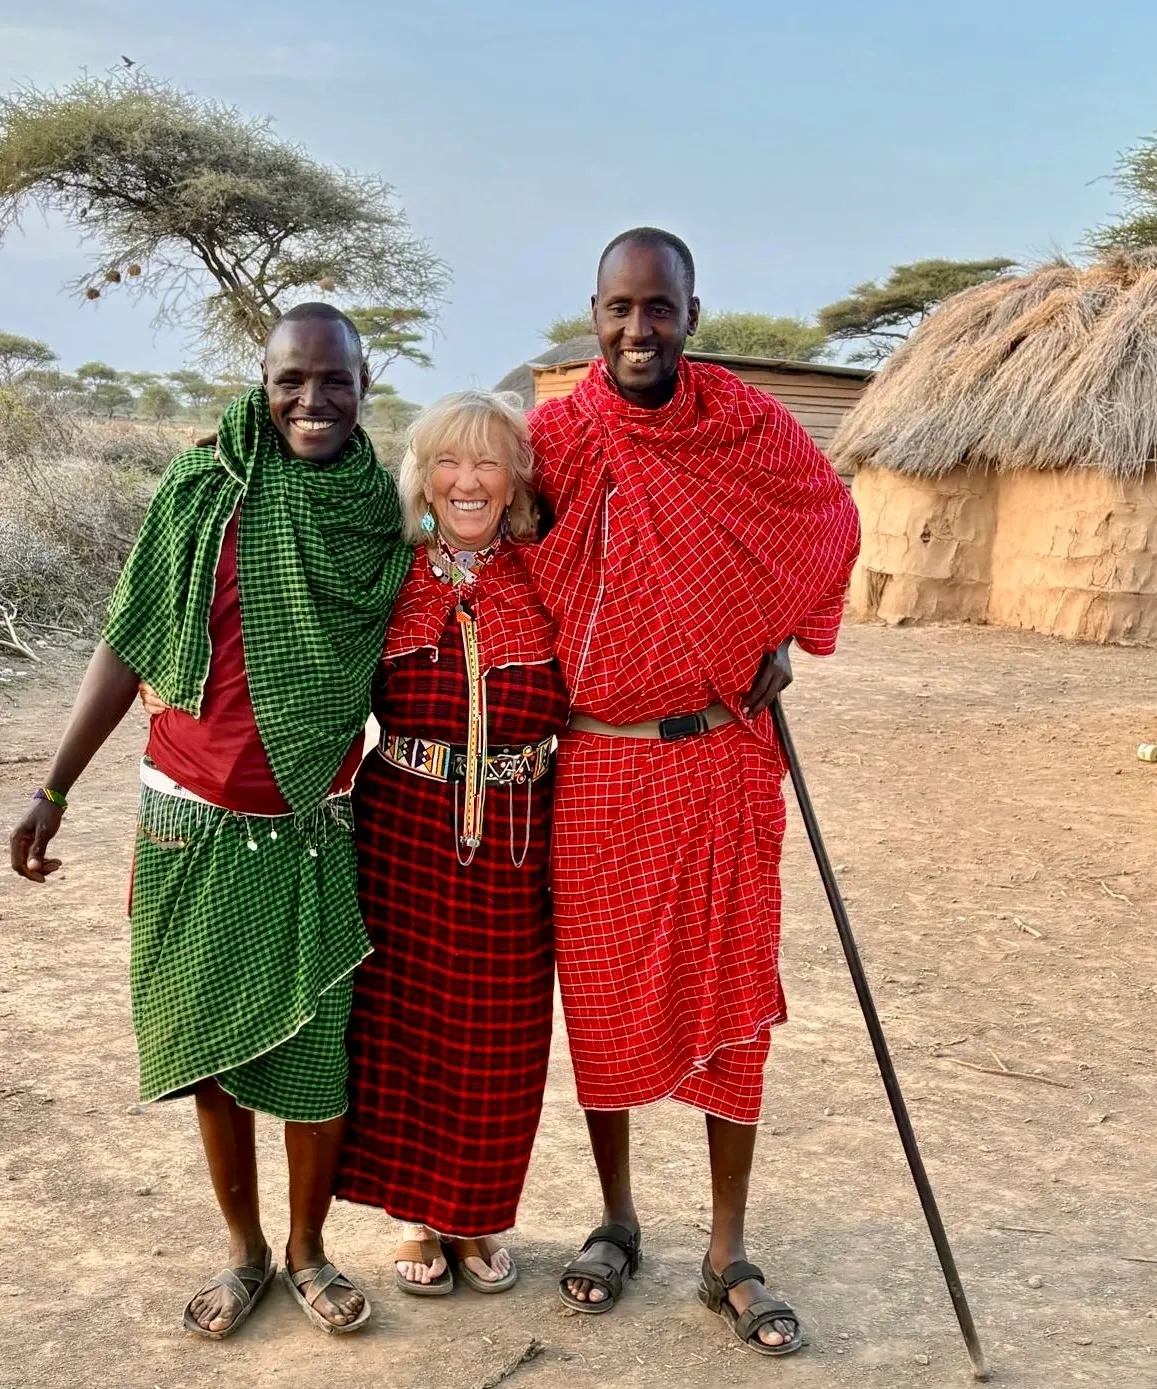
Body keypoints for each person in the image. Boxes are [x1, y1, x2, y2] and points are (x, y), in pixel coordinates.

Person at [8, 305, 411, 1340]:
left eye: (335, 381)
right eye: (292, 379)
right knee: (208, 1058)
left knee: (319, 1061)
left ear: (366, 384)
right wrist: (53, 788)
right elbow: (130, 637)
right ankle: (245, 1254)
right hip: (188, 819)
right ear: (262, 378)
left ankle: (310, 1251)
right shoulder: (203, 490)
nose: (312, 400)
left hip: (311, 826)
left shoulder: (378, 515)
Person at [523, 229, 860, 1358]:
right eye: (618, 308)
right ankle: (614, 1219)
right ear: (593, 311)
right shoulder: (555, 437)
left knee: (730, 1008)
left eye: (656, 308)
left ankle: (726, 1249)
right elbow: (510, 561)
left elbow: (828, 518)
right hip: (601, 762)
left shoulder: (747, 427)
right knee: (602, 997)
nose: (635, 329)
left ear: (690, 313)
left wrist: (780, 630)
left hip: (720, 757)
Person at [335, 391, 568, 1297]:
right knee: (402, 1022)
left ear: (514, 480)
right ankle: (417, 1215)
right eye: (447, 463)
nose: (466, 481)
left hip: (517, 836)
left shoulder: (549, 576)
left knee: (499, 1031)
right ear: (422, 478)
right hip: (400, 825)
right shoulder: (386, 572)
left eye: (486, 464)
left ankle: (476, 1216)